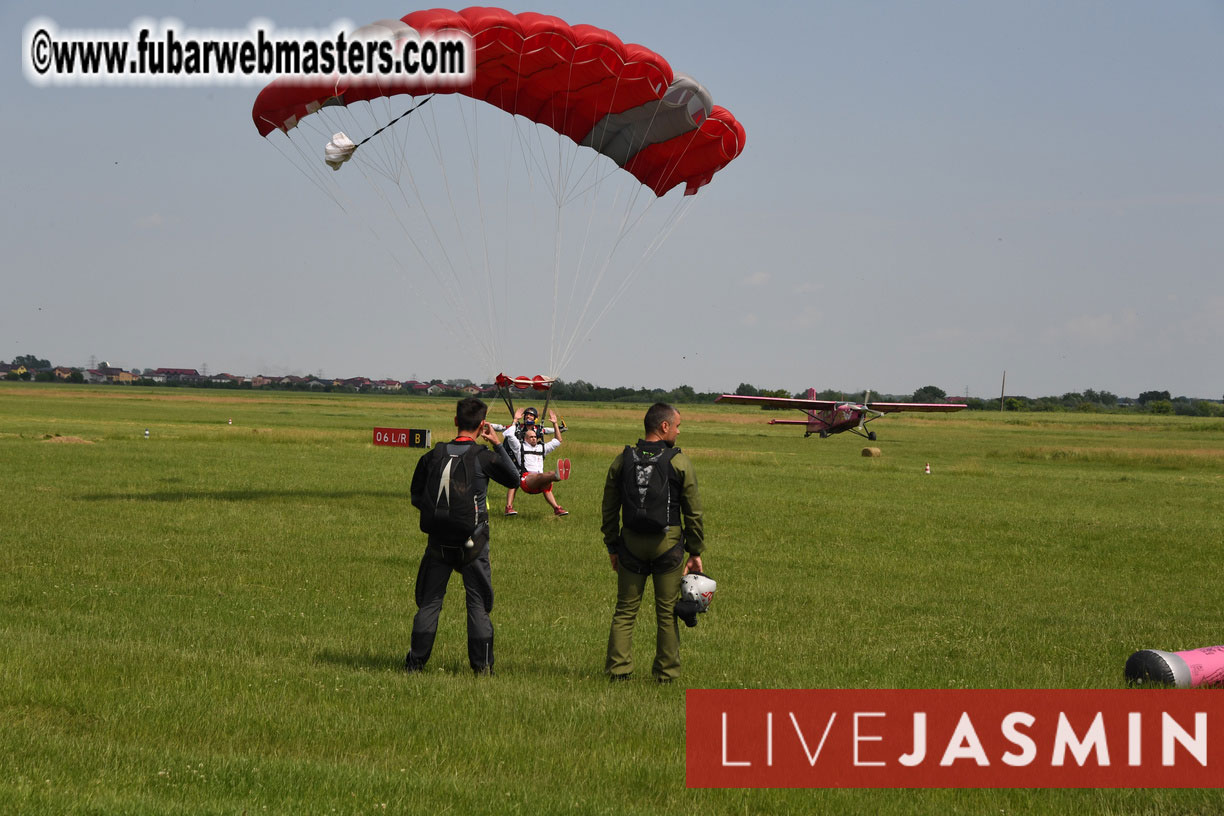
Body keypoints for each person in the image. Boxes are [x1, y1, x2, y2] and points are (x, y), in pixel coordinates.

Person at [405, 397, 520, 675]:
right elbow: (514, 479)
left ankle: (415, 664)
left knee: (430, 602)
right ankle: (482, 669)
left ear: (455, 421)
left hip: (437, 542)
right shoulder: (482, 456)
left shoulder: (433, 455)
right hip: (474, 543)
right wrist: (496, 443)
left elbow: (416, 495)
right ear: (483, 425)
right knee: (477, 604)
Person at [601, 402, 704, 683]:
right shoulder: (678, 461)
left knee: (624, 610)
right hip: (667, 544)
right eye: (678, 426)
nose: (679, 432)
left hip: (631, 544)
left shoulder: (623, 460)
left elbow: (609, 507)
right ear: (664, 427)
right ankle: (666, 673)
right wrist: (695, 551)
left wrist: (613, 546)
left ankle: (619, 671)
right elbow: (693, 511)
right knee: (667, 612)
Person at [499, 408, 571, 516]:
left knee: (546, 481)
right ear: (525, 438)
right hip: (527, 480)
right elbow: (509, 435)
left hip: (539, 482)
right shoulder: (519, 447)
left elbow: (558, 441)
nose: (533, 438)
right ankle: (556, 475)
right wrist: (515, 420)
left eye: (534, 437)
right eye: (530, 437)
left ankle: (557, 508)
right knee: (544, 476)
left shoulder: (542, 448)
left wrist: (555, 423)